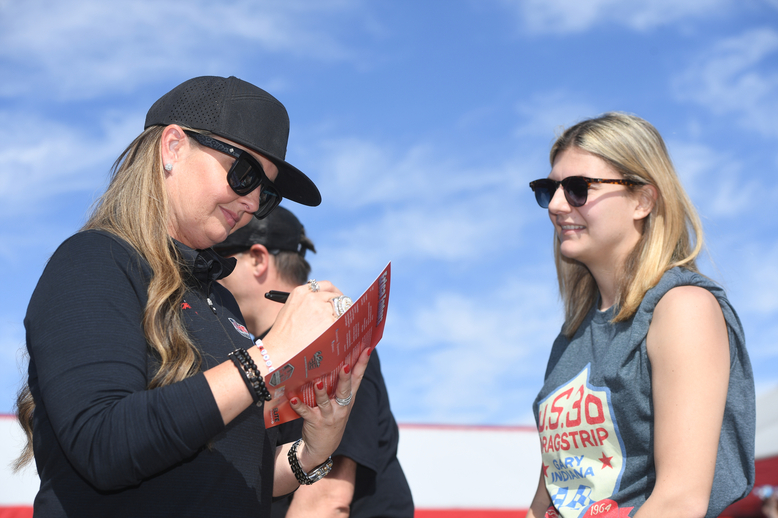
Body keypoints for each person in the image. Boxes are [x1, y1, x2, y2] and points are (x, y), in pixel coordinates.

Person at [15, 75, 371, 518]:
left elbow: (227, 470)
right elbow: (103, 445)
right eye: (245, 173)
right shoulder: (94, 260)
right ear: (173, 148)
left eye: (267, 193)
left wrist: (313, 450)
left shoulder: (220, 303)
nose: (253, 199)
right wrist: (267, 356)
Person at [526, 113, 755, 518]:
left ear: (643, 200)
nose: (558, 206)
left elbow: (680, 500)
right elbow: (551, 493)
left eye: (579, 188)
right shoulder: (570, 339)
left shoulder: (682, 307)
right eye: (549, 189)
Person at [213, 207, 414, 518]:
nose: (211, 275)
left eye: (220, 260)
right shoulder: (274, 356)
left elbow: (326, 501)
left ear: (257, 258)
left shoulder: (331, 346)